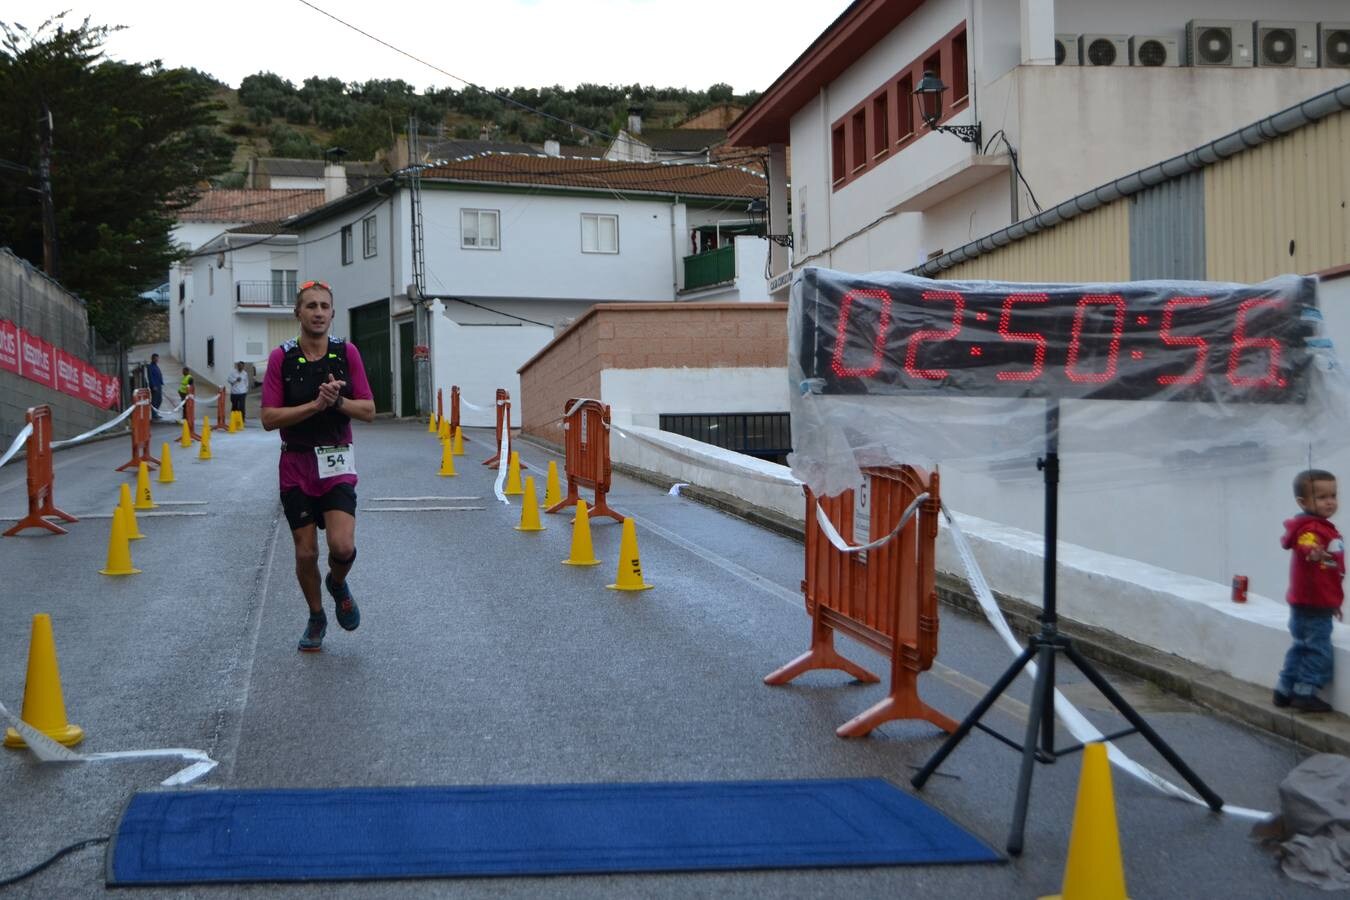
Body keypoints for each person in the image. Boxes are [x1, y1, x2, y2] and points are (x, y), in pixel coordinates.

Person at [260, 280, 375, 652]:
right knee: (306, 551)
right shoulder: (282, 357)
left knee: (341, 546)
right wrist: (314, 405)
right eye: (311, 306)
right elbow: (268, 418)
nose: (318, 312)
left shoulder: (346, 352)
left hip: (336, 458)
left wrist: (337, 402)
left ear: (333, 313)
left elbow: (369, 411)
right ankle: (315, 615)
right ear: (298, 313)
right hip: (296, 463)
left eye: (325, 306)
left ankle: (337, 583)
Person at [1275, 469, 1345, 713]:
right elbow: (1307, 545)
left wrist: (1334, 601)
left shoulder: (1321, 527)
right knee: (1318, 650)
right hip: (1313, 604)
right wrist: (1313, 552)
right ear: (1303, 502)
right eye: (1322, 497)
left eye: (1333, 495)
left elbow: (1330, 572)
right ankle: (1305, 693)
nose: (1330, 501)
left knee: (1300, 646)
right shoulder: (1310, 530)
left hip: (1312, 601)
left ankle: (1283, 690)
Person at [146, 353, 164, 420]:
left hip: (159, 385)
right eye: (156, 358)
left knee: (159, 400)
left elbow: (158, 375)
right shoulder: (150, 367)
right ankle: (154, 414)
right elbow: (150, 377)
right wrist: (153, 385)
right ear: (153, 359)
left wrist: (161, 382)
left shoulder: (156, 366)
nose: (157, 359)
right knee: (155, 400)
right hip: (155, 386)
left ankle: (155, 413)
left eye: (158, 358)